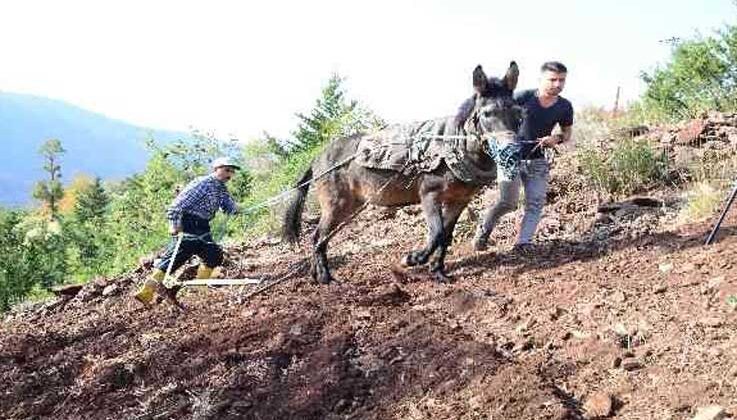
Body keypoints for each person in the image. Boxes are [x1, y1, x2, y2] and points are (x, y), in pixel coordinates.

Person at [456, 61, 574, 253]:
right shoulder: (521, 97)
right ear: (541, 79)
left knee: (535, 203)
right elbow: (492, 114)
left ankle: (523, 243)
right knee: (507, 203)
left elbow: (567, 133)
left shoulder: (564, 107)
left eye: (561, 80)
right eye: (553, 80)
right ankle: (483, 231)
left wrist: (557, 138)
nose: (557, 84)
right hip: (510, 159)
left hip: (538, 160)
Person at [134, 156, 241, 306]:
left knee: (214, 255)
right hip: (188, 224)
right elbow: (177, 205)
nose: (230, 174)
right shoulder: (202, 183)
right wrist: (173, 224)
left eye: (232, 172)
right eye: (227, 170)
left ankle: (199, 287)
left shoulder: (221, 188)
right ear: (216, 169)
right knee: (174, 259)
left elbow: (228, 207)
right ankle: (146, 291)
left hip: (203, 226)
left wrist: (237, 209)